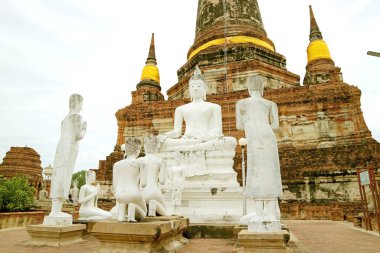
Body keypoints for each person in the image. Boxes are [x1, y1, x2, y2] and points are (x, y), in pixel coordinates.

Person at [236, 75, 282, 227]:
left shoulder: (241, 103)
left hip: (254, 137)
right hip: (268, 137)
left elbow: (239, 126)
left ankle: (258, 212)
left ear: (248, 88)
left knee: (255, 172)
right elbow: (275, 125)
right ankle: (270, 212)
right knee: (270, 171)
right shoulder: (270, 104)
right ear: (262, 88)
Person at [158, 65, 236, 152]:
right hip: (186, 140)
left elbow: (218, 130)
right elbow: (177, 132)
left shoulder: (214, 107)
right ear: (189, 90)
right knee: (162, 142)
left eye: (199, 86)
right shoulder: (180, 109)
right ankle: (190, 147)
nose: (195, 88)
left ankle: (190, 147)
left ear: (205, 89)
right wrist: (163, 135)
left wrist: (202, 137)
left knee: (230, 141)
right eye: (192, 86)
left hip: (204, 140)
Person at [48, 94, 87, 218]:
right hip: (70, 145)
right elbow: (78, 135)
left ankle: (55, 210)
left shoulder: (65, 118)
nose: (82, 107)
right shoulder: (77, 116)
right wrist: (85, 128)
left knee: (59, 172)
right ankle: (56, 210)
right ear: (78, 103)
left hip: (62, 145)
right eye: (81, 103)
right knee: (65, 173)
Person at [112, 137, 147, 222]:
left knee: (123, 202)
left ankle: (121, 215)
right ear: (137, 150)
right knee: (143, 214)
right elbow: (143, 184)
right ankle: (132, 211)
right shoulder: (140, 163)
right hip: (133, 194)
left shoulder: (117, 164)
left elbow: (115, 185)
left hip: (119, 195)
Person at [139, 134, 167, 217]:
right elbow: (162, 181)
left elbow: (140, 182)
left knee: (141, 207)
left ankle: (136, 208)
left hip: (141, 193)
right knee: (164, 211)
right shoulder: (161, 161)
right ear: (156, 147)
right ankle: (153, 204)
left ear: (144, 146)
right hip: (154, 192)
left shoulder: (139, 160)